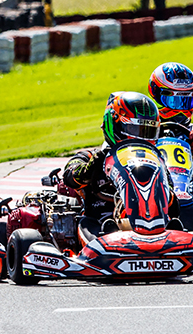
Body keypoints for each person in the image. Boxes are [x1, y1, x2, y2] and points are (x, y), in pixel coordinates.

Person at [63, 91, 166, 241]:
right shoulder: (92, 157)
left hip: (154, 223)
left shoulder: (157, 162)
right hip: (103, 225)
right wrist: (91, 169)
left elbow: (173, 202)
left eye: (147, 132)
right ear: (115, 125)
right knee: (88, 223)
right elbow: (69, 177)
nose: (141, 138)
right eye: (134, 130)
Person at [148, 62, 193, 197]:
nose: (180, 109)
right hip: (155, 197)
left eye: (186, 101)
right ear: (155, 95)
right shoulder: (145, 133)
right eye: (174, 101)